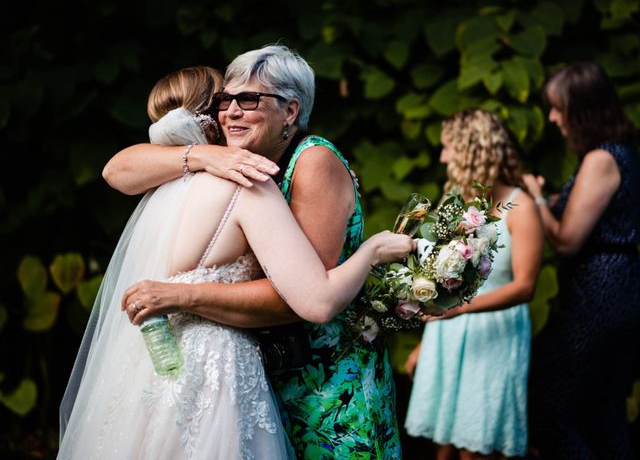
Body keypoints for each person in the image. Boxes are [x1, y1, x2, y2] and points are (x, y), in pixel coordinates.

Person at [58, 65, 414, 459]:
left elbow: (115, 171)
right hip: (220, 367)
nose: (233, 111)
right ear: (212, 116)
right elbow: (317, 300)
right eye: (225, 101)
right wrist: (372, 252)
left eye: (246, 100)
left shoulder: (165, 186)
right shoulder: (247, 181)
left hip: (165, 366)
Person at [404, 109, 544, 459]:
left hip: (495, 334)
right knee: (444, 441)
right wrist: (428, 340)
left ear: (472, 152)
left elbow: (526, 287)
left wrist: (456, 312)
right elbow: (445, 279)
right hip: (449, 333)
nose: (443, 157)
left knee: (474, 443)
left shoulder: (521, 208)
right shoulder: (461, 202)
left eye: (448, 148)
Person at [523, 61, 640, 460]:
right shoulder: (616, 153)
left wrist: (533, 196)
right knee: (604, 411)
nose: (553, 117)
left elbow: (568, 239)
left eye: (559, 108)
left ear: (584, 109)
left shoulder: (602, 160)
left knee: (554, 408)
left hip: (600, 291)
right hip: (618, 288)